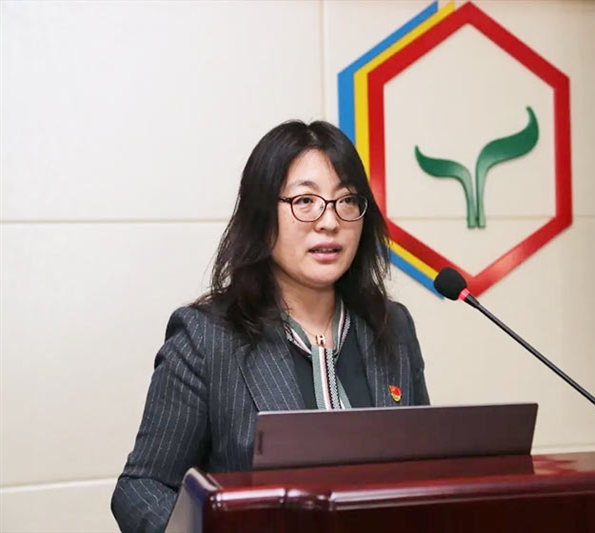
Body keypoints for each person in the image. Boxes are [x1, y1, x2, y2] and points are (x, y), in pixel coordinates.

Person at [111, 120, 430, 532]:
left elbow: (427, 470)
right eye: (305, 201)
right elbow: (141, 488)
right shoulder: (207, 338)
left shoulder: (392, 326)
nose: (329, 221)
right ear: (262, 216)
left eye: (347, 200)